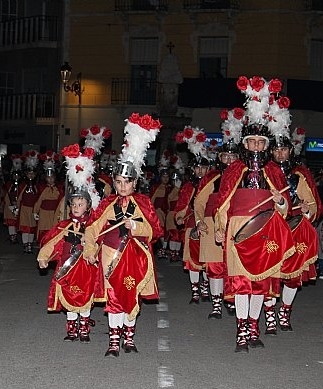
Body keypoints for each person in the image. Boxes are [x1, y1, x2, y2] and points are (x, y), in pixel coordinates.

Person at [214, 76, 294, 353]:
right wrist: (220, 227)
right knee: (241, 283)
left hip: (265, 230)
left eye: (261, 142)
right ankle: (240, 332)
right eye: (253, 142)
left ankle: (254, 328)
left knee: (260, 283)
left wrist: (280, 200)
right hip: (239, 229)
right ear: (245, 144)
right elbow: (223, 202)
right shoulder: (234, 169)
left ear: (266, 145)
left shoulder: (274, 170)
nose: (257, 146)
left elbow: (285, 209)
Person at [83, 113, 163, 357]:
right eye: (118, 182)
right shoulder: (107, 203)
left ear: (134, 183)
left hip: (134, 256)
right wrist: (89, 249)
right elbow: (92, 228)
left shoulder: (143, 203)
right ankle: (113, 341)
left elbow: (155, 230)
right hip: (110, 254)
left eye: (126, 182)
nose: (122, 186)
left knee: (130, 295)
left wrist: (136, 227)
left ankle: (129, 337)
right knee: (113, 296)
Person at [37, 144, 103, 342]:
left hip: (85, 267)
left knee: (84, 296)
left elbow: (96, 243)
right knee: (68, 294)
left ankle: (84, 329)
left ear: (88, 206)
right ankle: (71, 329)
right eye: (73, 204)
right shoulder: (64, 224)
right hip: (68, 267)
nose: (76, 207)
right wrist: (43, 257)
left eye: (80, 204)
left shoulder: (93, 225)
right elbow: (52, 241)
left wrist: (91, 248)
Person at [266, 128, 321, 333]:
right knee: (269, 273)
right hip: (271, 229)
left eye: (284, 149)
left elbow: (313, 204)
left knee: (292, 277)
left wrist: (307, 211)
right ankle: (269, 313)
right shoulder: (264, 172)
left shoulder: (299, 175)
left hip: (295, 228)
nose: (280, 154)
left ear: (291, 151)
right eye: (276, 150)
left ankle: (285, 311)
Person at [194, 129, 239, 319]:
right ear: (220, 157)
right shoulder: (211, 177)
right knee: (214, 267)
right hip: (212, 224)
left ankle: (235, 300)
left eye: (232, 156)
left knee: (236, 266)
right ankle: (216, 304)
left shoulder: (244, 176)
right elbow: (199, 202)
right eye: (225, 156)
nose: (228, 160)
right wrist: (199, 221)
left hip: (236, 225)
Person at [174, 127, 210, 304]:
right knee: (192, 259)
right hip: (191, 225)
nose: (201, 171)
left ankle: (205, 287)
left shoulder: (213, 185)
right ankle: (195, 290)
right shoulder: (188, 186)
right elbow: (181, 204)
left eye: (204, 168)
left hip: (207, 224)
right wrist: (180, 217)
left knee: (207, 257)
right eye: (198, 168)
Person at [33, 154, 62, 243]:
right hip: (44, 214)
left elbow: (61, 201)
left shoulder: (59, 189)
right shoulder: (42, 188)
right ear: (45, 178)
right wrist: (35, 211)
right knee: (43, 231)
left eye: (52, 178)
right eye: (48, 178)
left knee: (53, 231)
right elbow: (38, 201)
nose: (50, 180)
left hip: (54, 214)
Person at [18, 151, 40, 253]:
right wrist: (17, 208)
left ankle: (30, 245)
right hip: (24, 209)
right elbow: (19, 198)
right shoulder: (23, 185)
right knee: (25, 227)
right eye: (29, 173)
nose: (31, 175)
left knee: (32, 227)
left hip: (33, 209)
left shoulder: (37, 186)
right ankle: (25, 244)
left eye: (33, 173)